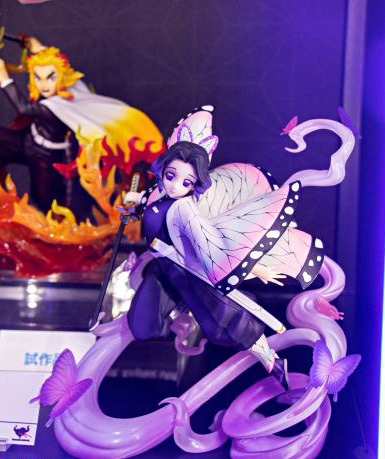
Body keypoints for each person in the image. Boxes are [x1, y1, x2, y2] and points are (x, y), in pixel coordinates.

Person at [122, 108, 326, 388]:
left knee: (225, 323)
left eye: (186, 182)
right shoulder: (158, 194)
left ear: (195, 184)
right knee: (142, 322)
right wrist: (133, 205)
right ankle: (181, 319)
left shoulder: (184, 209)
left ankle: (271, 360)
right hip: (164, 271)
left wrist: (254, 268)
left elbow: (211, 244)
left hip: (189, 274)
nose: (175, 185)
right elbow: (148, 206)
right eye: (170, 175)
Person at [0, 37, 163, 218]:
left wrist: (5, 79)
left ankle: (58, 224)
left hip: (47, 157)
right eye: (38, 78)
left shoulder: (57, 104)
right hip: (28, 140)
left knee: (43, 198)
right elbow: (55, 62)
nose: (44, 85)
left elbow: (24, 108)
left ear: (61, 77)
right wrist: (37, 48)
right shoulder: (71, 88)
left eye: (51, 78)